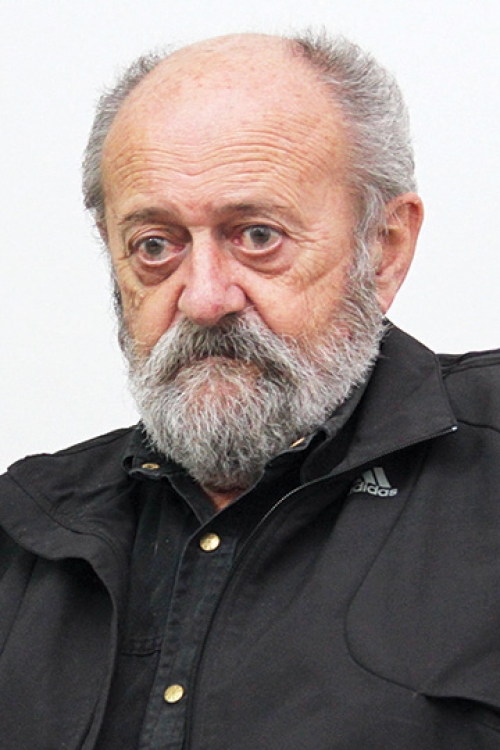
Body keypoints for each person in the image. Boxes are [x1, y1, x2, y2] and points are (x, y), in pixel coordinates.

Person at [1, 30, 499, 750]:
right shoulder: (23, 537)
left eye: (257, 236)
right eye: (155, 245)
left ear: (384, 248)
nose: (204, 299)